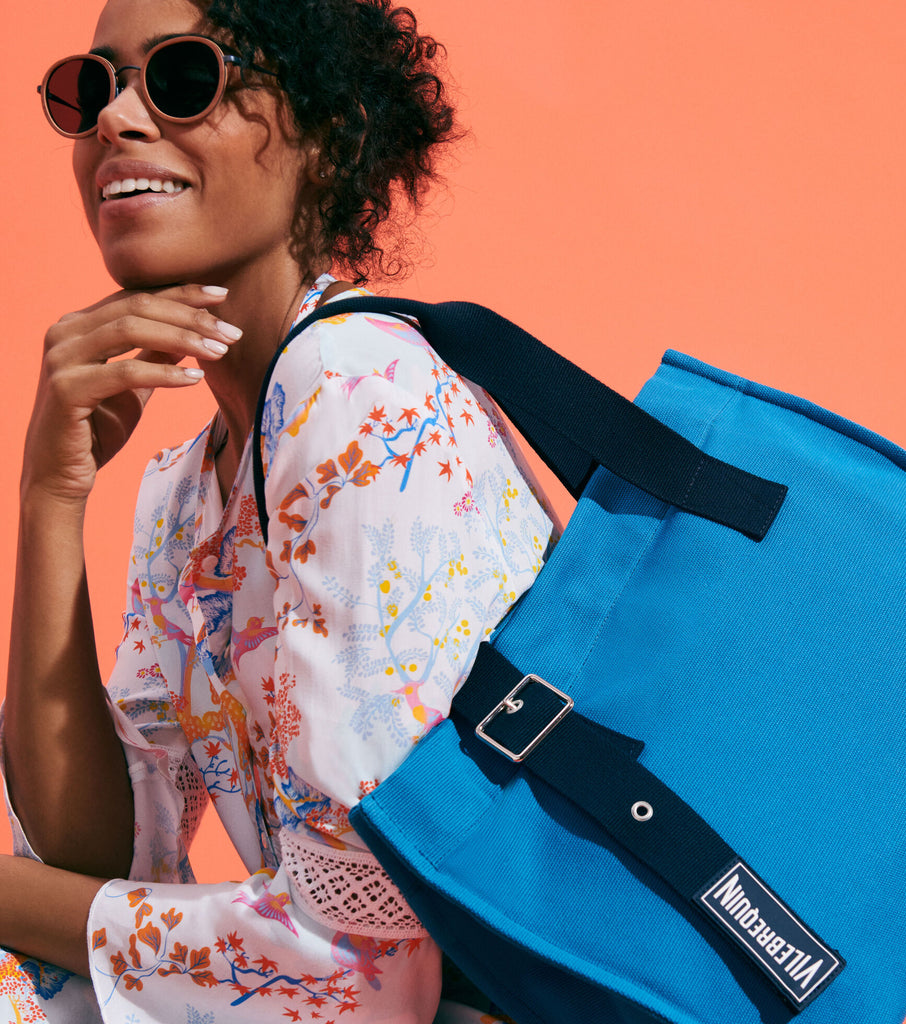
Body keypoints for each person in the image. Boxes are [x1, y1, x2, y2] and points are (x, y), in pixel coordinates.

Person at [0, 0, 554, 1020]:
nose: (116, 118)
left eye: (182, 77)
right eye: (90, 89)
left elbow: (357, 971)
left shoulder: (357, 393)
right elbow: (109, 860)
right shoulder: (187, 490)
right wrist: (50, 498)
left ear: (325, 135)